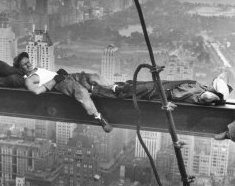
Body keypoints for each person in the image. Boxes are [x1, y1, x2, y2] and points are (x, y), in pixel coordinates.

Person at [13, 52, 114, 133]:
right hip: (60, 83)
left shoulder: (37, 69)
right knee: (81, 91)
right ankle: (99, 117)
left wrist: (58, 73)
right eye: (24, 65)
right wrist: (55, 80)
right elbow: (36, 91)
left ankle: (114, 87)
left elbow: (47, 75)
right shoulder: (28, 79)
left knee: (93, 77)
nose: (28, 64)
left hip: (66, 76)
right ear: (20, 69)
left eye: (28, 62)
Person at [90, 72, 232, 106]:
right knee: (128, 86)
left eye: (215, 83)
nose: (213, 80)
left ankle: (95, 89)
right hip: (160, 86)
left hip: (159, 92)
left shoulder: (202, 95)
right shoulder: (202, 86)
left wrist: (218, 98)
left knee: (125, 92)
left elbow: (207, 97)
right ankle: (97, 87)